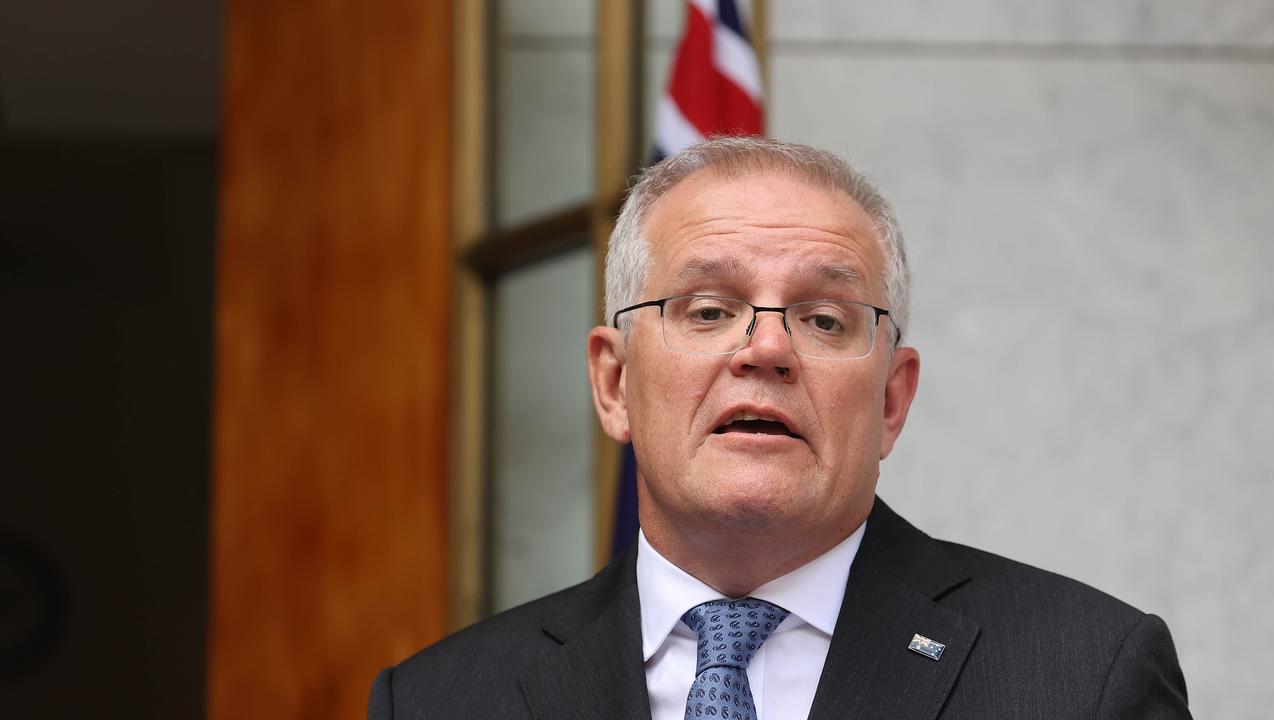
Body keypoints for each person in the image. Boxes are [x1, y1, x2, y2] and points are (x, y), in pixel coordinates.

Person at [368, 137, 1191, 719]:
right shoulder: (440, 700)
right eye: (709, 309)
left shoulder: (1087, 678)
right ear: (614, 383)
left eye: (826, 320)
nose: (766, 347)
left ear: (890, 403)